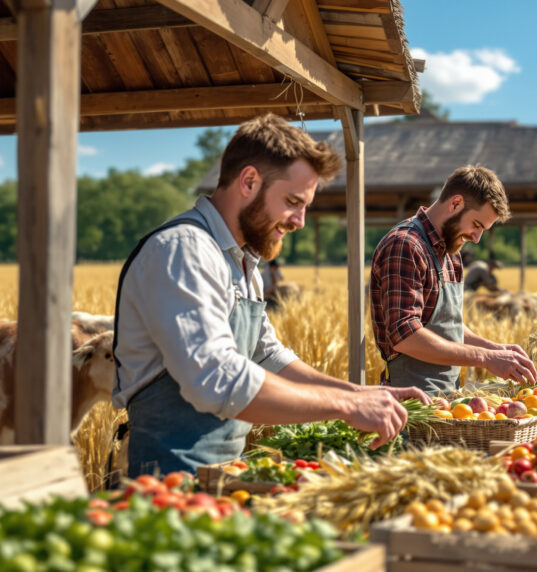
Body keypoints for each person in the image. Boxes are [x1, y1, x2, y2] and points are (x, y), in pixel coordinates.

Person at [113, 114, 429, 477]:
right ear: (248, 181)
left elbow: (265, 354)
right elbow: (216, 380)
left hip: (222, 474)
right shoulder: (185, 250)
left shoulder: (240, 259)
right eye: (293, 201)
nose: (300, 221)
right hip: (169, 480)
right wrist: (344, 406)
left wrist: (359, 394)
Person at [370, 165, 537, 396]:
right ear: (455, 203)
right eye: (477, 225)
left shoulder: (452, 255)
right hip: (411, 401)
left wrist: (497, 350)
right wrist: (485, 358)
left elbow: (449, 327)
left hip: (447, 396)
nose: (477, 239)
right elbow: (405, 335)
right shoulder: (405, 245)